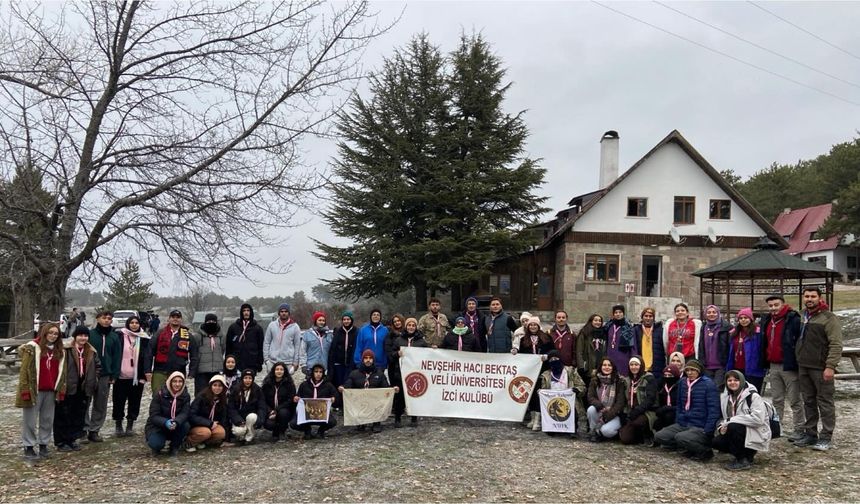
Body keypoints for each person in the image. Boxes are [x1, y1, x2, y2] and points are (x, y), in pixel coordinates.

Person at [793, 287, 843, 451]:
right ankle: (810, 433)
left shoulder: (829, 318)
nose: (809, 299)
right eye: (807, 296)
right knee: (808, 401)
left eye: (813, 296)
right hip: (803, 366)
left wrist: (830, 367)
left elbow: (836, 344)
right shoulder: (801, 315)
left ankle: (826, 436)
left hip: (820, 368)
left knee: (825, 402)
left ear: (820, 298)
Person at [17, 323, 67, 460]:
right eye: (50, 333)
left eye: (56, 334)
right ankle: (29, 447)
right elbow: (24, 372)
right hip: (35, 390)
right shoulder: (32, 348)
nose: (53, 336)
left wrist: (61, 389)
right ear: (44, 333)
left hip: (51, 390)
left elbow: (63, 373)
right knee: (30, 420)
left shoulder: (60, 351)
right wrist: (25, 390)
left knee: (47, 419)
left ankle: (44, 445)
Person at [654, 359, 720, 461]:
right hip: (683, 423)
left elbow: (714, 410)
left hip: (700, 425)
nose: (689, 373)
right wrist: (679, 420)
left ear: (699, 371)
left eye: (693, 370)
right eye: (687, 370)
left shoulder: (708, 384)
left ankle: (705, 451)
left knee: (681, 437)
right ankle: (688, 446)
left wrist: (708, 430)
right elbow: (680, 404)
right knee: (660, 436)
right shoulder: (682, 382)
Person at [760, 294, 804, 441]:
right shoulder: (767, 320)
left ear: (783, 304)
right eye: (771, 305)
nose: (773, 308)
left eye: (776, 305)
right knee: (777, 399)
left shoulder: (793, 319)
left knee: (795, 399)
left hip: (789, 365)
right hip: (773, 364)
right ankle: (777, 427)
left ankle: (799, 429)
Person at [712, 370, 771, 471]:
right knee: (716, 442)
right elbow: (723, 417)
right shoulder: (726, 397)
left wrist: (731, 420)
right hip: (737, 430)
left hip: (755, 431)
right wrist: (721, 426)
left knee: (734, 426)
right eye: (729, 380)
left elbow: (758, 419)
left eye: (736, 380)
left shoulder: (753, 396)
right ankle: (746, 455)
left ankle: (743, 458)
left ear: (742, 381)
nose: (732, 382)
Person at [54, 326, 99, 452]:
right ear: (75, 336)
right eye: (80, 335)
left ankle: (72, 439)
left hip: (84, 387)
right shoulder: (66, 350)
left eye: (85, 336)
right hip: (68, 386)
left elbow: (98, 366)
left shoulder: (91, 351)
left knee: (78, 415)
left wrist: (94, 378)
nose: (83, 338)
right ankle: (61, 441)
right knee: (63, 414)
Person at [112, 315, 152, 437]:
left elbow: (147, 358)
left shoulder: (144, 338)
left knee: (135, 402)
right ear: (127, 324)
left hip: (137, 377)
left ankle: (130, 425)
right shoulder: (120, 336)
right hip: (121, 376)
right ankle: (118, 425)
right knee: (118, 401)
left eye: (136, 323)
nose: (134, 325)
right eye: (132, 322)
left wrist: (145, 374)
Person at [86, 310, 121, 442]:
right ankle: (84, 429)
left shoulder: (114, 337)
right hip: (90, 374)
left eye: (109, 318)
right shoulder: (90, 335)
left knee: (100, 403)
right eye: (104, 318)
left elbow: (117, 356)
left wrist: (114, 373)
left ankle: (94, 430)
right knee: (86, 402)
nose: (106, 320)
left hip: (105, 374)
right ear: (98, 319)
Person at [340, 349, 393, 433]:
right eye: (366, 358)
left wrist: (393, 390)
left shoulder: (379, 374)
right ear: (362, 360)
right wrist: (343, 388)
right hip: (360, 402)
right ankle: (360, 423)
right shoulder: (354, 373)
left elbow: (386, 388)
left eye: (370, 358)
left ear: (373, 360)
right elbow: (348, 385)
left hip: (375, 403)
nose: (368, 360)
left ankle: (376, 423)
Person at [388, 317, 429, 427]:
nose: (411, 327)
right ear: (406, 326)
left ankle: (414, 417)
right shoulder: (399, 340)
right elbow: (391, 355)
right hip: (400, 372)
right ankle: (397, 418)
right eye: (409, 325)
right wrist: (397, 354)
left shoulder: (421, 341)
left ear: (416, 327)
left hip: (416, 373)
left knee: (414, 394)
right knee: (400, 396)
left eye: (413, 325)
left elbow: (427, 356)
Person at [538, 349, 588, 435]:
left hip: (570, 404)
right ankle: (552, 427)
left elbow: (582, 387)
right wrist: (540, 392)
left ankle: (572, 427)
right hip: (553, 405)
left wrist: (577, 390)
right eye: (551, 359)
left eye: (556, 358)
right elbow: (544, 392)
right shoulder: (546, 375)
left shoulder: (571, 371)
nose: (554, 361)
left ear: (560, 359)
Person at [151, 310, 198, 394]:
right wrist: (147, 370)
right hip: (160, 371)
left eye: (178, 317)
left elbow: (194, 355)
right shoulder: (159, 333)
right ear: (169, 319)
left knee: (177, 398)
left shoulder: (188, 336)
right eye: (173, 317)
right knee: (158, 396)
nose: (175, 319)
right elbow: (149, 352)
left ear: (181, 319)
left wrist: (192, 372)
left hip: (178, 372)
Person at [144, 371, 191, 456]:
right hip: (158, 426)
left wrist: (176, 421)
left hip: (175, 425)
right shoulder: (160, 394)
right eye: (174, 381)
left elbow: (185, 413)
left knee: (186, 425)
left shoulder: (185, 396)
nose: (177, 384)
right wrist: (165, 422)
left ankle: (174, 446)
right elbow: (154, 415)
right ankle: (156, 447)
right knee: (156, 443)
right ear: (170, 382)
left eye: (180, 381)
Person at [291, 363, 339, 439]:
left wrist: (334, 399)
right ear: (312, 373)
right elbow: (298, 396)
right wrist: (296, 398)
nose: (318, 374)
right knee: (293, 424)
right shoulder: (304, 385)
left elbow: (336, 397)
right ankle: (307, 430)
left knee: (332, 422)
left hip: (321, 413)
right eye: (316, 372)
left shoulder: (328, 385)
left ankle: (321, 431)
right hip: (307, 414)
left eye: (320, 372)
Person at [618, 356, 658, 445]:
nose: (633, 367)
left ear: (641, 366)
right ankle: (637, 436)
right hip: (631, 411)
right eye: (631, 365)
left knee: (638, 423)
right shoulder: (627, 380)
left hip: (646, 412)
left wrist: (637, 410)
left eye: (636, 365)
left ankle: (647, 434)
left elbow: (650, 399)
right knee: (625, 438)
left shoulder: (649, 379)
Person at [726, 307, 767, 392]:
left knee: (752, 394)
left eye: (746, 318)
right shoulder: (734, 333)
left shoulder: (758, 333)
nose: (743, 320)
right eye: (741, 318)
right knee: (738, 393)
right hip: (737, 368)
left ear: (751, 319)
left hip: (754, 369)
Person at [586, 357, 626, 442]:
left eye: (609, 365)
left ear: (613, 367)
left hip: (614, 414)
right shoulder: (595, 380)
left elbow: (620, 402)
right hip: (600, 410)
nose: (607, 367)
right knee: (591, 409)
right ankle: (594, 432)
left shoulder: (619, 381)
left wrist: (608, 415)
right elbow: (590, 396)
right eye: (604, 365)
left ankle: (604, 433)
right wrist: (600, 406)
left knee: (606, 431)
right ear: (600, 367)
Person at [186, 374, 229, 452]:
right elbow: (192, 415)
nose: (217, 388)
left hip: (212, 425)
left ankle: (203, 442)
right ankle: (189, 442)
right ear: (210, 386)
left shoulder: (222, 399)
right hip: (197, 425)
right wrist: (209, 423)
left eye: (220, 386)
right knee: (205, 433)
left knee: (221, 433)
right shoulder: (201, 397)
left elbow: (224, 418)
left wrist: (226, 438)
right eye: (215, 385)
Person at [329, 311, 358, 410]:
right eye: (344, 319)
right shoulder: (338, 331)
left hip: (351, 362)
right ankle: (339, 405)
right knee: (339, 383)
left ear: (351, 320)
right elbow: (333, 348)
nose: (346, 321)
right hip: (339, 362)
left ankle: (348, 405)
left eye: (348, 319)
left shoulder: (356, 331)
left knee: (349, 383)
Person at [190, 313, 225, 396]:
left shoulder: (221, 336)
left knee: (216, 395)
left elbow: (222, 350)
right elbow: (194, 352)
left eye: (213, 321)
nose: (211, 323)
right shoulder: (198, 336)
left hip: (216, 370)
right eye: (209, 321)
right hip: (202, 371)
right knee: (201, 394)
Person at [228, 369, 266, 444]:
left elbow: (261, 406)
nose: (247, 380)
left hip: (251, 416)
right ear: (242, 379)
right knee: (238, 431)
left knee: (251, 417)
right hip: (239, 417)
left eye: (250, 378)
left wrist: (260, 420)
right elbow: (231, 408)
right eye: (245, 378)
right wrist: (239, 421)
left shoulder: (257, 390)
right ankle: (241, 436)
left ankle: (249, 437)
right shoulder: (235, 389)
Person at [261, 362, 296, 442]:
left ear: (284, 371)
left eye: (281, 369)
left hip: (284, 409)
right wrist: (270, 410)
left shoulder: (289, 384)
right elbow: (263, 399)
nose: (279, 371)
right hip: (270, 410)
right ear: (273, 371)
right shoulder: (267, 383)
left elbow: (290, 400)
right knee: (269, 424)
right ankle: (275, 431)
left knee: (283, 414)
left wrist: (276, 410)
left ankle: (282, 431)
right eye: (277, 369)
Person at [225, 303, 265, 373]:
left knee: (249, 383)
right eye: (244, 311)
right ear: (241, 312)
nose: (246, 312)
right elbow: (228, 346)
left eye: (248, 310)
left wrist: (259, 362)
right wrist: (227, 361)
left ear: (251, 312)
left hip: (252, 363)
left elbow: (260, 347)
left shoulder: (257, 328)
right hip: (236, 363)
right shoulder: (233, 327)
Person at [263, 303, 301, 375]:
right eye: (282, 311)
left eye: (286, 311)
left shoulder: (295, 327)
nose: (284, 313)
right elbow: (266, 342)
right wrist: (266, 359)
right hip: (272, 361)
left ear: (289, 313)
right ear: (279, 313)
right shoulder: (272, 325)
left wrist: (295, 362)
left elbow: (297, 345)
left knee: (286, 384)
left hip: (288, 362)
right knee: (271, 383)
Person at [698, 305, 730, 389]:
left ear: (718, 313)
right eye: (709, 312)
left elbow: (729, 346)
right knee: (707, 389)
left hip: (721, 365)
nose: (711, 314)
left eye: (714, 312)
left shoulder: (726, 327)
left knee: (717, 389)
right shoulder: (704, 327)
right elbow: (701, 346)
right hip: (706, 366)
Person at [604, 305, 636, 376]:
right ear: (613, 314)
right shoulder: (608, 326)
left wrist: (633, 358)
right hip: (610, 356)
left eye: (620, 312)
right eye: (616, 312)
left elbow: (633, 346)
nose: (618, 314)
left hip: (623, 357)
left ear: (623, 314)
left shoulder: (629, 328)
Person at [576, 313, 605, 387]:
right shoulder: (584, 333)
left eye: (600, 321)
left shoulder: (604, 334)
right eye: (595, 320)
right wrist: (581, 366)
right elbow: (579, 351)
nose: (598, 322)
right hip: (588, 366)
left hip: (600, 366)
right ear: (591, 321)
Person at [301, 311, 333, 375]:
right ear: (315, 321)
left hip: (324, 367)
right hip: (311, 367)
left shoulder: (329, 334)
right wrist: (303, 365)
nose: (322, 322)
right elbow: (302, 351)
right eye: (320, 320)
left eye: (323, 320)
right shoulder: (307, 334)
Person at [653, 363, 682, 435]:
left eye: (670, 375)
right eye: (665, 375)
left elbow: (681, 405)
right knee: (657, 423)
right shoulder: (662, 387)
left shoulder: (680, 387)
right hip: (664, 411)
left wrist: (668, 408)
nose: (667, 377)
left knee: (669, 417)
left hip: (675, 412)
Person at [633, 307, 664, 373]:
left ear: (653, 318)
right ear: (642, 317)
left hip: (656, 366)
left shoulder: (660, 330)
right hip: (641, 366)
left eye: (650, 316)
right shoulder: (636, 330)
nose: (648, 318)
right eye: (646, 316)